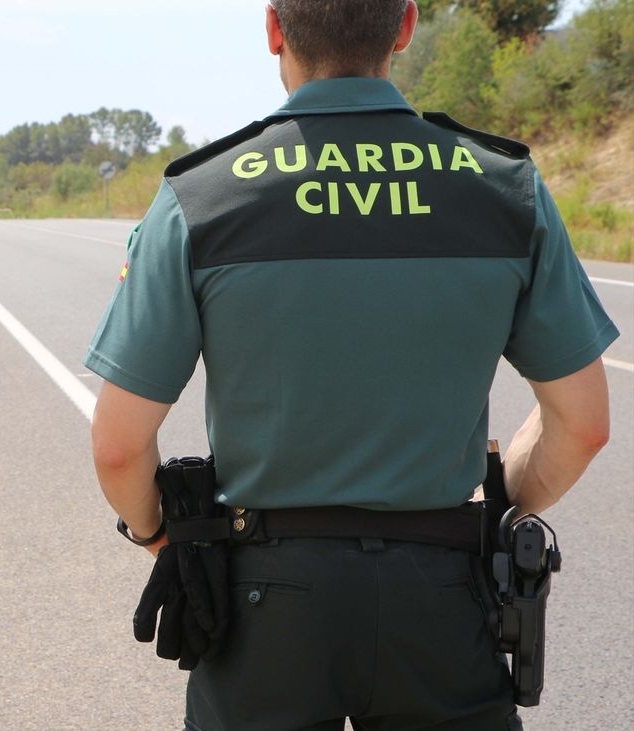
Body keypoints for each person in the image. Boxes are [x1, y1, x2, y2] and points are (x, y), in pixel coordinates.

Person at [84, 1, 616, 729]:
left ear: (274, 28)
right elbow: (583, 426)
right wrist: (504, 508)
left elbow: (118, 446)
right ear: (405, 25)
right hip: (441, 597)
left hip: (262, 604)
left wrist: (160, 538)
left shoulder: (201, 197)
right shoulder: (503, 187)